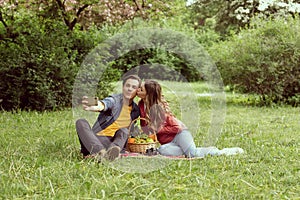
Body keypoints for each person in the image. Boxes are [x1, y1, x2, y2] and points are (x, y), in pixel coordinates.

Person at [136, 79, 244, 158]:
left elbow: (176, 127)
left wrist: (158, 130)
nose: (137, 90)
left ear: (148, 94)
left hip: (180, 134)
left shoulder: (160, 109)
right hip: (167, 141)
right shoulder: (141, 105)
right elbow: (144, 124)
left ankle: (224, 152)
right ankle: (190, 150)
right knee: (162, 150)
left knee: (193, 154)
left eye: (141, 89)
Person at [75, 75, 141, 161]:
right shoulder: (115, 100)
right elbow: (104, 104)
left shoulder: (136, 110)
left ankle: (112, 152)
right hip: (95, 141)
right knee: (81, 122)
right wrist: (94, 105)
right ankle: (100, 152)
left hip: (115, 143)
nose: (129, 89)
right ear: (123, 87)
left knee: (124, 130)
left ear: (137, 91)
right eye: (127, 85)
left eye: (133, 87)